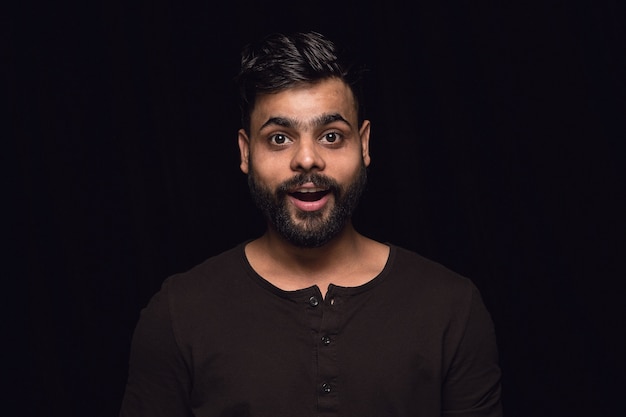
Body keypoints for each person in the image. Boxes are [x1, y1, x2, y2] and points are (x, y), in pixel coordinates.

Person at [119, 31, 502, 417]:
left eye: (331, 136)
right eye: (280, 138)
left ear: (364, 145)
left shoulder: (451, 307)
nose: (306, 159)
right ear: (246, 151)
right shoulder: (178, 314)